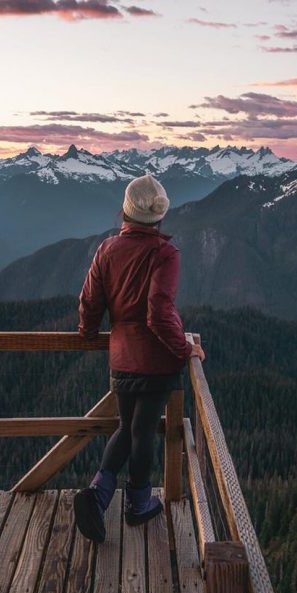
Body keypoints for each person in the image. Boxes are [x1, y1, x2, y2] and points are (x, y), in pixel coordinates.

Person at [74, 173, 205, 543]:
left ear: (126, 212)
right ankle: (138, 503)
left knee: (127, 426)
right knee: (143, 430)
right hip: (157, 360)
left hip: (121, 356)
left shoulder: (107, 250)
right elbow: (159, 312)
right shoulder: (164, 253)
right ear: (159, 216)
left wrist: (87, 333)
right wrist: (185, 348)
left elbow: (90, 301)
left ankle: (98, 495)